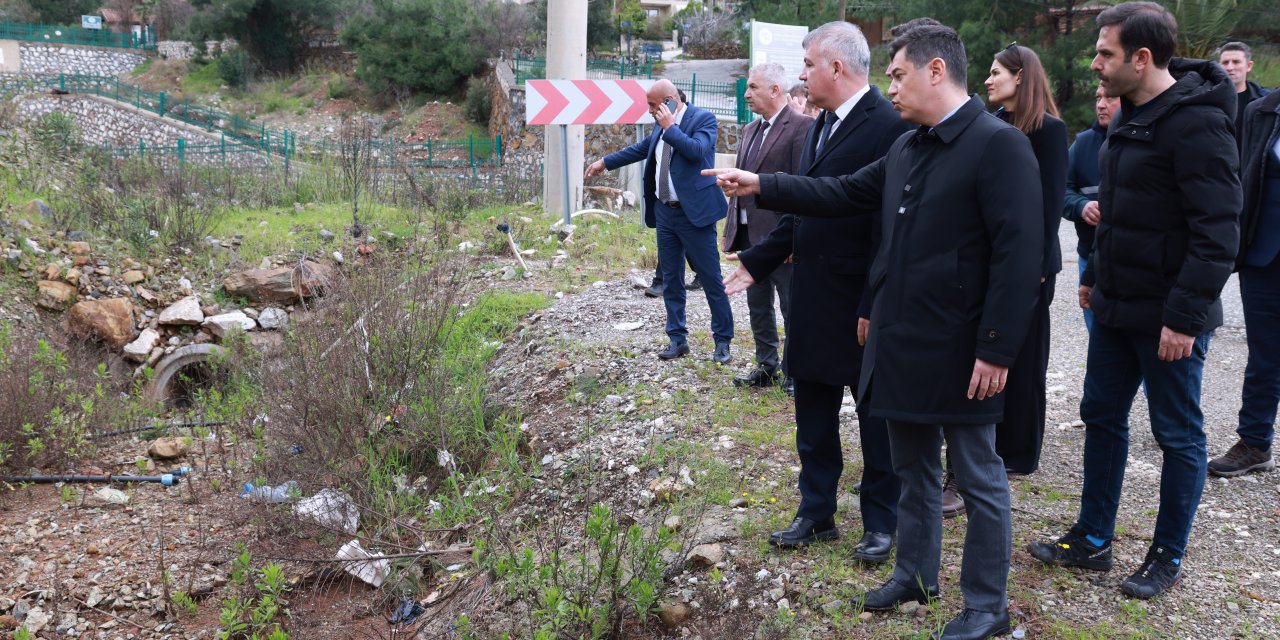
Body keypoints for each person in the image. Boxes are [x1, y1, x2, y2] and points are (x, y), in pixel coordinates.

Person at [707, 22, 1043, 640]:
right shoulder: (910, 147)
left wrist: (996, 349)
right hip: (903, 337)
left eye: (897, 73)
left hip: (964, 345)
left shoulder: (998, 146)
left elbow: (1020, 259)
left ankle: (987, 606)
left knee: (978, 476)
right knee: (911, 463)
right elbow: (842, 192)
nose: (890, 85)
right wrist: (762, 184)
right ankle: (914, 574)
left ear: (935, 72)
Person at [1028, 2, 1241, 600]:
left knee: (1177, 435)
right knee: (1101, 415)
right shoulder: (1130, 118)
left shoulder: (1197, 123)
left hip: (1170, 317)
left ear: (1141, 59)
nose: (1094, 63)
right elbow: (1118, 215)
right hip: (1117, 306)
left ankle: (1166, 555)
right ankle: (1093, 538)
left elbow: (1219, 231)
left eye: (1104, 53)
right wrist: (1094, 275)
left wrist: (1184, 316)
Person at [724, 21, 909, 564]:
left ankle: (880, 521)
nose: (801, 74)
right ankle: (817, 510)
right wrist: (758, 260)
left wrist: (874, 302)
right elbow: (804, 208)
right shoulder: (819, 126)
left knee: (875, 418)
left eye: (807, 64)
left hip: (858, 298)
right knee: (812, 410)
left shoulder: (889, 124)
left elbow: (885, 226)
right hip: (811, 292)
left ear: (836, 66)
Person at [585, 79, 733, 363]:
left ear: (669, 100)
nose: (650, 110)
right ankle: (677, 339)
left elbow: (697, 152)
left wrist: (669, 127)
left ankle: (723, 342)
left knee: (712, 279)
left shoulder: (703, 119)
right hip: (665, 212)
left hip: (694, 214)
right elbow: (642, 149)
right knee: (671, 280)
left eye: (653, 105)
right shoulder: (659, 124)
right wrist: (605, 162)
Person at [983, 43, 1067, 477]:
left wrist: (1030, 269)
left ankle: (1020, 451)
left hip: (1031, 268)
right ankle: (991, 441)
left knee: (1026, 358)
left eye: (996, 72)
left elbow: (1050, 208)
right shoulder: (994, 124)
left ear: (1020, 76)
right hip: (996, 263)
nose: (988, 79)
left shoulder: (1049, 131)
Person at [722, 63, 813, 389]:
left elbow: (803, 187)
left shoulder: (802, 127)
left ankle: (794, 371)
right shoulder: (750, 130)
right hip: (749, 236)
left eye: (753, 88)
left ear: (776, 90)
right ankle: (767, 365)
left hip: (780, 237)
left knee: (792, 307)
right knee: (757, 304)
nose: (746, 94)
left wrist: (793, 239)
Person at [1208, 86, 1280, 477]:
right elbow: (1242, 176)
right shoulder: (1261, 111)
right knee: (1264, 358)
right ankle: (1254, 442)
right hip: (1265, 256)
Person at [1063, 85, 1121, 332]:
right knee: (1099, 340)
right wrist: (1081, 206)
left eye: (1110, 97)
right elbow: (1061, 192)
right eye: (1098, 97)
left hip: (1133, 263)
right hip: (1090, 259)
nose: (1100, 104)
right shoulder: (1082, 144)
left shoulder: (1147, 141)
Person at [1217, 41, 1271, 150]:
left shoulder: (1265, 102)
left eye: (1236, 62)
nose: (1230, 67)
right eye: (1225, 62)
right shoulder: (1207, 99)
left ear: (1249, 66)